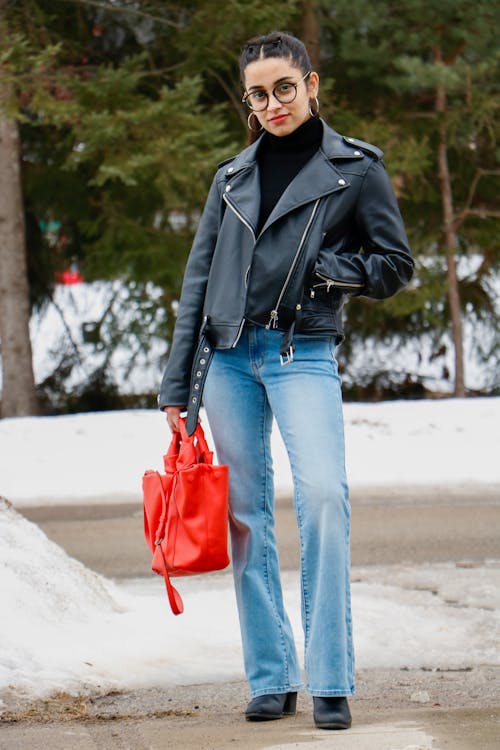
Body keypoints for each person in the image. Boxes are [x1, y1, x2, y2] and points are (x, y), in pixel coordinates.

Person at [158, 31, 413, 730]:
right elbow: (198, 281)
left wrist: (339, 272)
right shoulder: (230, 177)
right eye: (259, 94)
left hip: (304, 351)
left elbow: (395, 263)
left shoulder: (357, 169)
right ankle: (271, 676)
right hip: (229, 359)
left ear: (312, 84)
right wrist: (175, 386)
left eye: (284, 88)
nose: (272, 103)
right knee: (245, 517)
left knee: (326, 498)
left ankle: (331, 677)